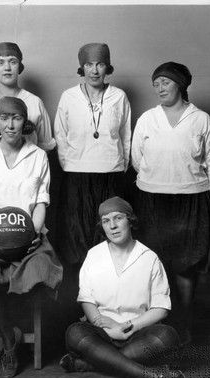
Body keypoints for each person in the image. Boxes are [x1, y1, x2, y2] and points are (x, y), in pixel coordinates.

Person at [0, 97, 63, 378]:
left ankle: (7, 324)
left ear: (24, 122)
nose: (10, 124)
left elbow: (41, 202)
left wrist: (35, 233)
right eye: (4, 118)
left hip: (29, 235)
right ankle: (9, 341)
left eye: (16, 118)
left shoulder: (38, 156)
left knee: (41, 270)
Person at [131, 62, 210, 345]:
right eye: (156, 83)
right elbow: (138, 160)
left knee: (187, 266)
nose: (159, 88)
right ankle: (155, 328)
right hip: (153, 201)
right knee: (154, 264)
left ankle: (184, 325)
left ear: (181, 85)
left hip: (193, 201)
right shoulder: (148, 119)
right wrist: (158, 180)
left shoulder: (201, 120)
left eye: (166, 82)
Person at [60, 196, 189, 378]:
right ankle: (154, 376)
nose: (112, 226)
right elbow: (86, 299)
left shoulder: (149, 258)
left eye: (118, 218)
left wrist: (127, 326)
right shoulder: (94, 255)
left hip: (138, 332)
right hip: (101, 332)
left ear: (130, 220)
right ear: (101, 226)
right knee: (75, 333)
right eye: (106, 221)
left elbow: (161, 308)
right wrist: (104, 325)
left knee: (167, 336)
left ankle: (90, 364)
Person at [54, 43, 131, 315]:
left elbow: (126, 137)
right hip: (76, 177)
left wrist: (118, 168)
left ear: (107, 67)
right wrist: (72, 165)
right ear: (82, 67)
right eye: (89, 64)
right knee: (76, 240)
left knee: (108, 239)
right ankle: (79, 310)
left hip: (110, 176)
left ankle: (108, 307)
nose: (94, 70)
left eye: (100, 64)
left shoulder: (119, 97)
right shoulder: (68, 97)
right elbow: (60, 136)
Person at [0, 42, 55, 152]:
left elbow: (45, 146)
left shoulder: (35, 103)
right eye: (0, 62)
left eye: (13, 62)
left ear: (20, 66)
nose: (7, 68)